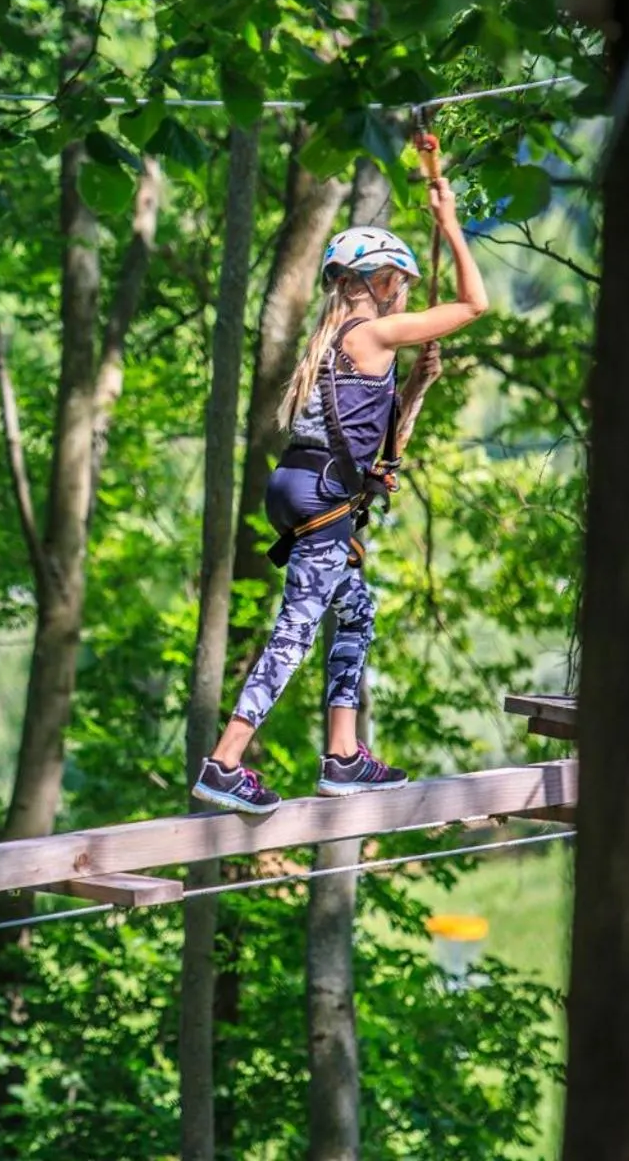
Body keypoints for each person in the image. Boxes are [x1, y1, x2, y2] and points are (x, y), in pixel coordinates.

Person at [192, 179, 489, 814]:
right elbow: (473, 304)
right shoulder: (369, 332)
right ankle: (224, 762)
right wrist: (450, 221)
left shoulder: (336, 339)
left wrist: (412, 389)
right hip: (321, 494)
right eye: (400, 284)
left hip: (304, 484)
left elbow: (361, 435)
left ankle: (344, 756)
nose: (405, 295)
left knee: (353, 610)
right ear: (379, 281)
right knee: (297, 630)